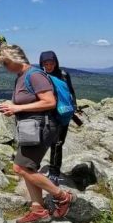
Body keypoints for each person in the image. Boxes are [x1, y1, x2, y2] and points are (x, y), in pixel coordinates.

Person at [0, 44, 75, 223]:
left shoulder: (35, 75)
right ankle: (38, 210)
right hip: (31, 127)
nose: (6, 68)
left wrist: (18, 107)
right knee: (29, 168)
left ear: (15, 59)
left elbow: (49, 101)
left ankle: (62, 197)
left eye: (6, 63)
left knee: (20, 168)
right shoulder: (21, 76)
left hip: (42, 126)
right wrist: (13, 108)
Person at [39, 50, 79, 184]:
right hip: (47, 113)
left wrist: (73, 106)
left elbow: (71, 91)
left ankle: (54, 173)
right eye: (46, 63)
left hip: (63, 113)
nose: (49, 65)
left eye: (52, 63)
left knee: (57, 144)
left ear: (56, 62)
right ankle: (32, 165)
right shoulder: (40, 76)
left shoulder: (64, 75)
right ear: (42, 63)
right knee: (40, 141)